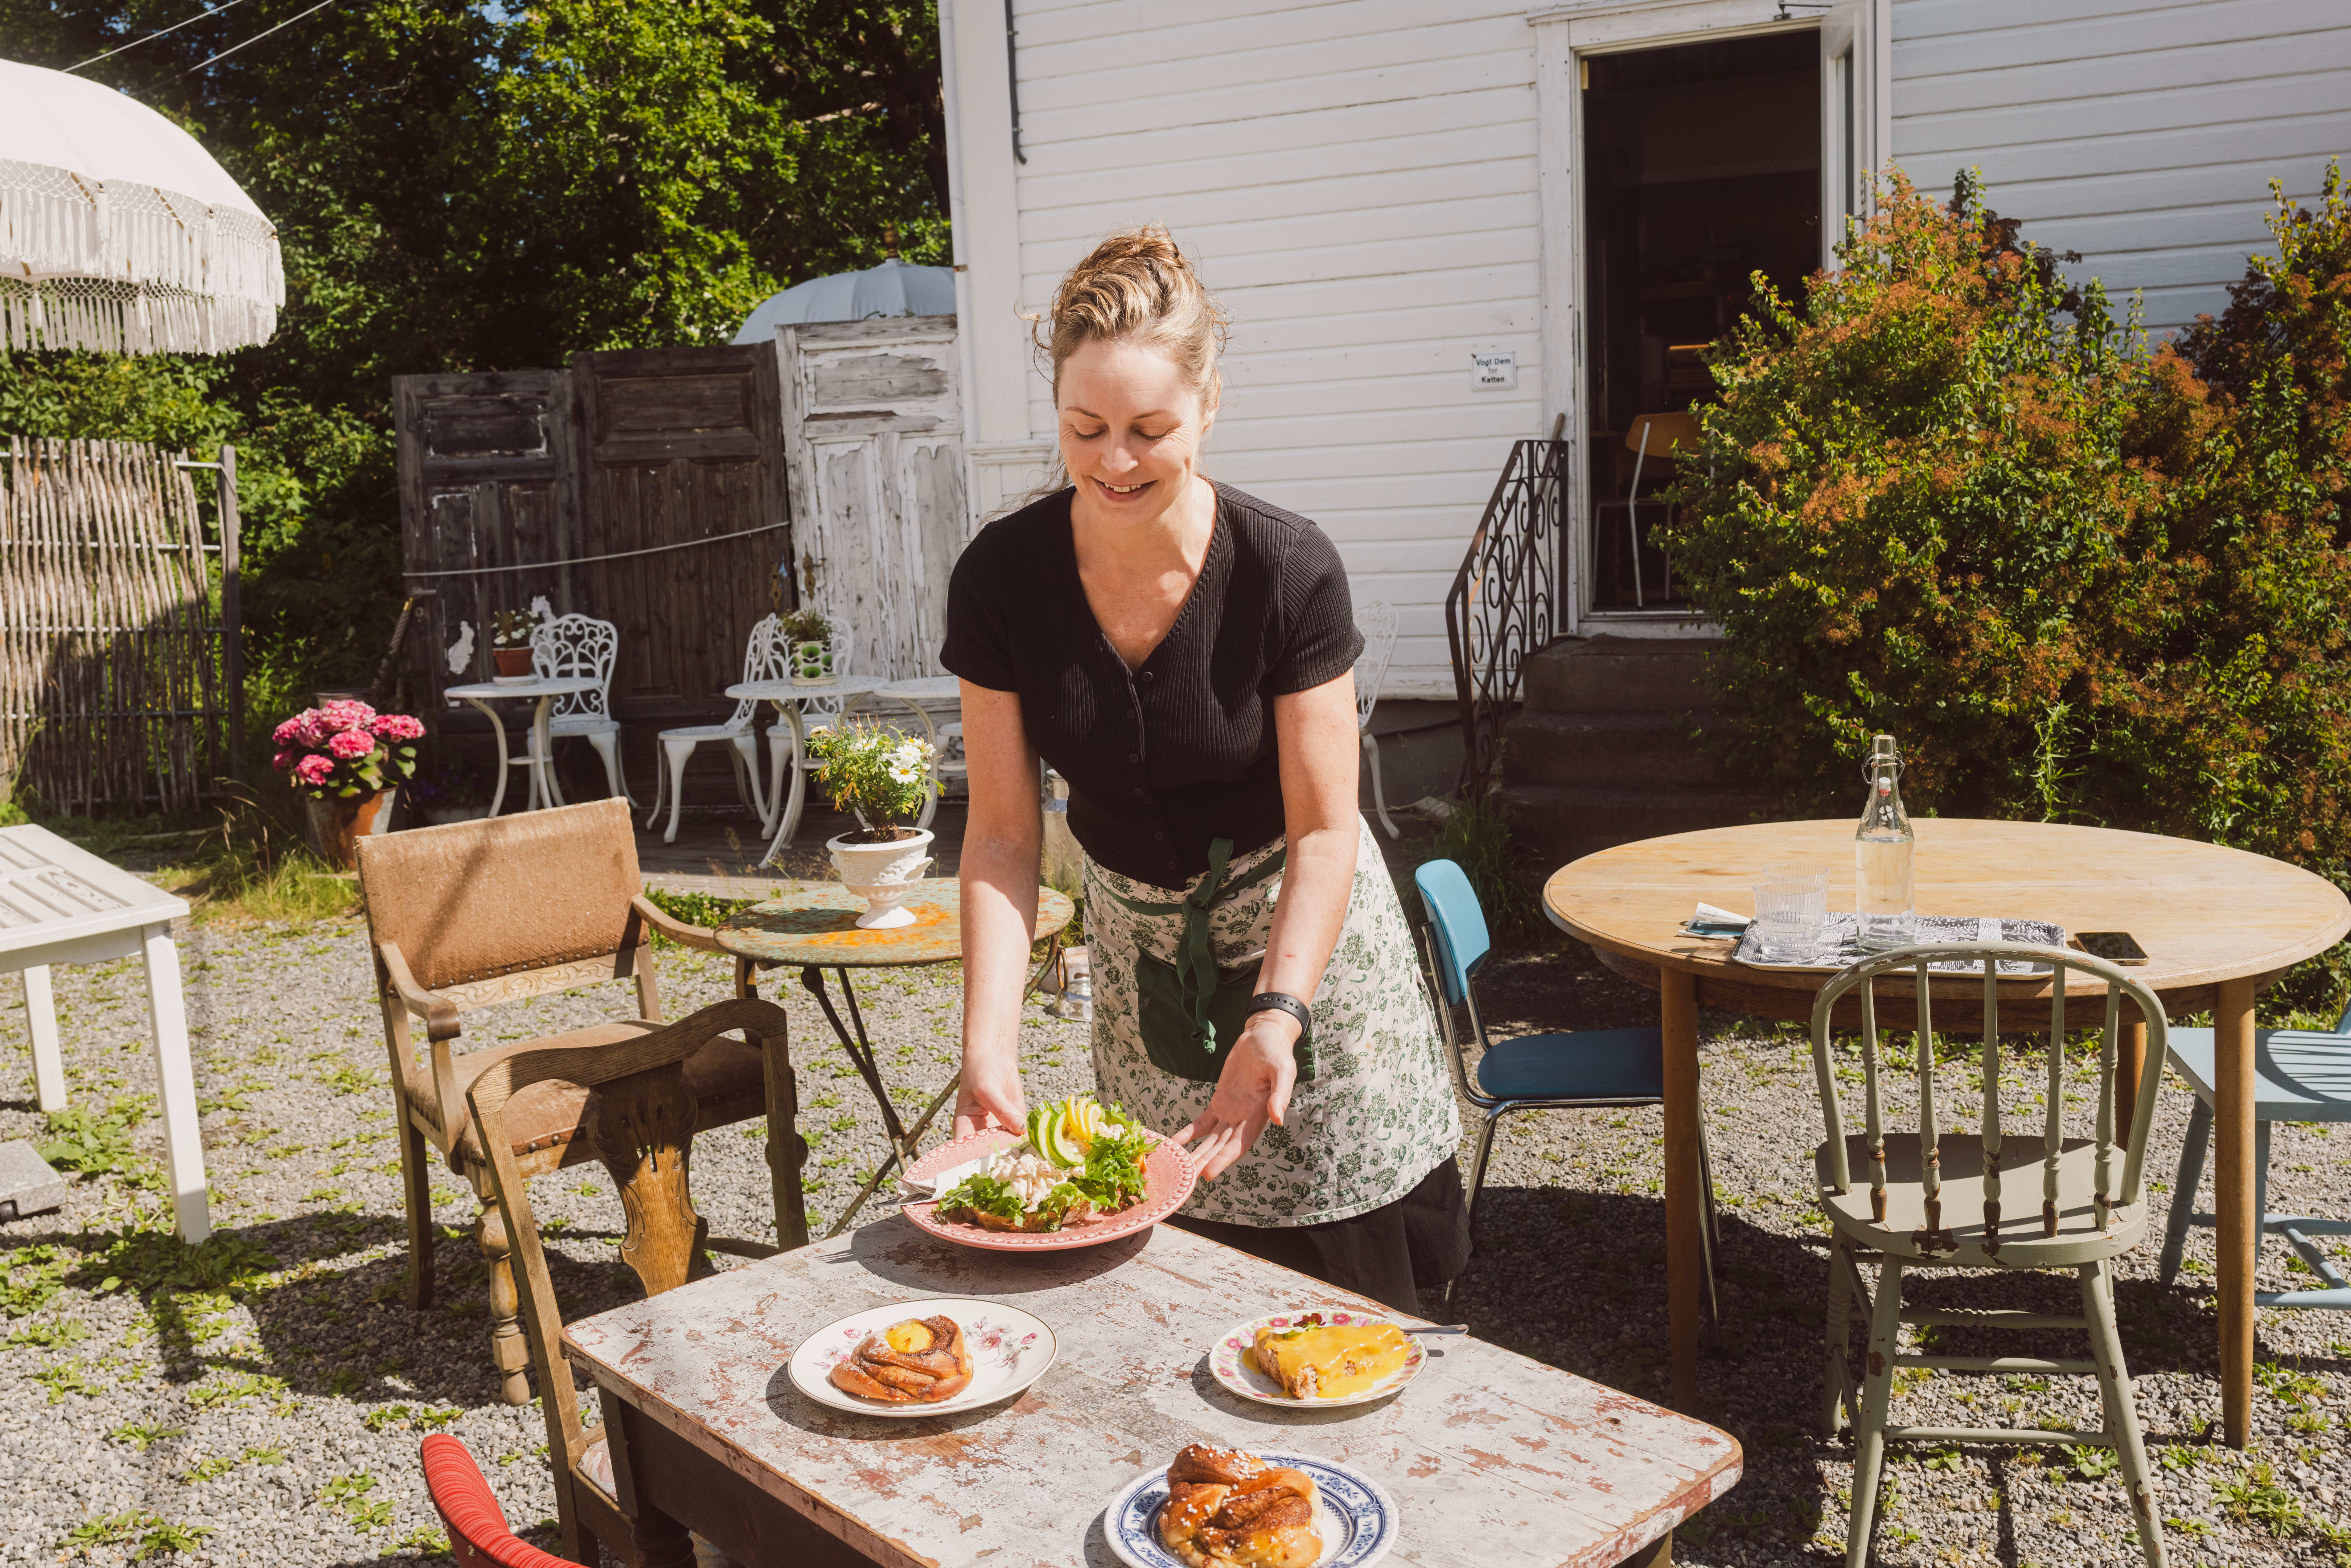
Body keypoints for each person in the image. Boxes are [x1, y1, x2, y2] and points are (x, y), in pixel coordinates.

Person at [940, 225, 1467, 1315]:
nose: (1113, 462)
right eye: (1085, 429)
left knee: (1357, 1297)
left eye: (1149, 429)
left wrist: (1276, 1013)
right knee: (1176, 1281)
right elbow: (1001, 835)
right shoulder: (1001, 577)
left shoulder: (1286, 567)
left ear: (1209, 405)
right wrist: (986, 1048)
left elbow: (1326, 829)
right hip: (1141, 959)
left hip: (1304, 948)